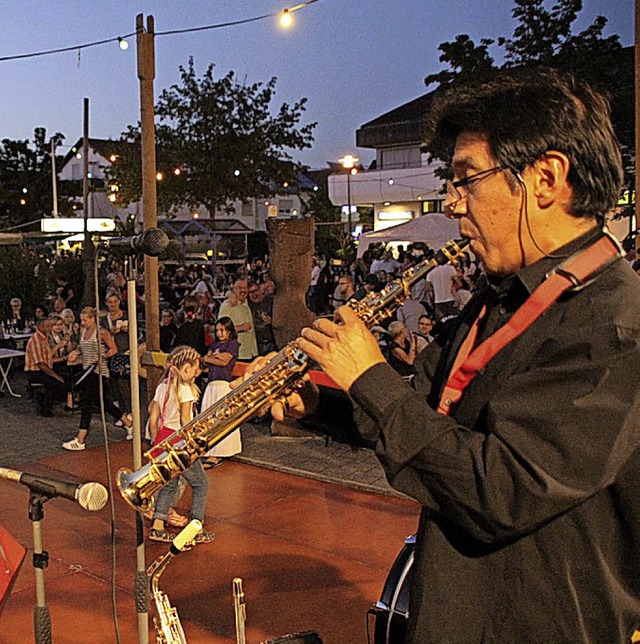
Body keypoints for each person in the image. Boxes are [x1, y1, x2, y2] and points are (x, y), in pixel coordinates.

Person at [262, 69, 640, 642]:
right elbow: (422, 415)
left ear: (546, 178)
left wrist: (369, 376)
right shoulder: (499, 297)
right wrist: (324, 404)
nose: (451, 200)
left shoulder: (613, 326)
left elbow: (501, 489)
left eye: (468, 179)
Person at [148, 346, 215, 544]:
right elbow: (186, 419)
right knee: (201, 483)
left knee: (168, 485)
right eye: (194, 368)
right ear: (185, 368)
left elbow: (153, 418)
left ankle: (157, 526)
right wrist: (193, 442)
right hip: (180, 442)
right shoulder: (185, 389)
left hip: (163, 440)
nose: (196, 372)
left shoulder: (162, 387)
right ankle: (195, 526)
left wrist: (156, 443)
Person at [62, 307, 133, 450]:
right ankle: (129, 424)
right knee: (104, 404)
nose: (83, 322)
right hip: (87, 370)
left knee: (86, 403)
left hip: (99, 372)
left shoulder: (101, 332)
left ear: (93, 319)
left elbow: (113, 348)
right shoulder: (83, 332)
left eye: (85, 320)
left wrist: (103, 357)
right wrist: (75, 353)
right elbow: (82, 348)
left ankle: (80, 439)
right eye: (82, 320)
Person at [202, 317, 242, 466]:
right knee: (209, 418)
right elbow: (207, 360)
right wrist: (212, 357)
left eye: (222, 330)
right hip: (211, 384)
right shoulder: (215, 345)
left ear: (229, 330)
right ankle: (210, 450)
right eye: (217, 330)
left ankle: (219, 453)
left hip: (223, 384)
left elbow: (224, 361)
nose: (219, 333)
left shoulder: (233, 345)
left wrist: (210, 357)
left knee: (222, 417)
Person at [24, 317, 67, 417]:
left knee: (67, 374)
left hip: (45, 367)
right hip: (35, 371)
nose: (49, 328)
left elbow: (48, 358)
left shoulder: (44, 338)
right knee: (57, 382)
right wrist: (55, 376)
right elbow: (41, 364)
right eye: (48, 326)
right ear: (40, 327)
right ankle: (44, 406)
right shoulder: (36, 340)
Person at [217, 280, 258, 361]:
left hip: (251, 352)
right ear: (234, 290)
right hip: (236, 354)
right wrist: (240, 328)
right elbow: (220, 329)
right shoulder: (228, 305)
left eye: (245, 288)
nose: (243, 290)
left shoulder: (249, 303)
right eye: (240, 288)